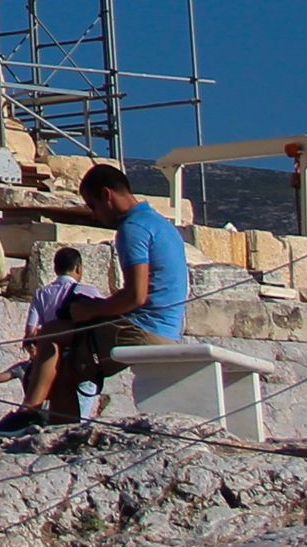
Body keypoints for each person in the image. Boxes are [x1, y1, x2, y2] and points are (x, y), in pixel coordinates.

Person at [17, 163, 187, 427]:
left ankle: (28, 412)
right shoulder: (161, 225)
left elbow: (136, 296)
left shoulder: (132, 228)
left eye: (93, 205)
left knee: (50, 332)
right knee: (66, 362)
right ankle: (57, 427)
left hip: (144, 329)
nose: (95, 215)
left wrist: (92, 310)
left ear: (106, 195)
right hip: (169, 329)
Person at [0, 244, 92, 432]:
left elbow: (30, 331)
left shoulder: (42, 294)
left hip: (48, 360)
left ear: (55, 269)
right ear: (79, 268)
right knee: (79, 417)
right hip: (79, 360)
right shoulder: (88, 292)